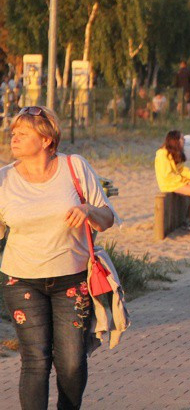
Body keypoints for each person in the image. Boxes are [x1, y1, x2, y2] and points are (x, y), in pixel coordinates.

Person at [0, 106, 118, 410]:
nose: (14, 138)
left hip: (73, 279)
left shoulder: (74, 167)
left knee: (72, 363)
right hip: (21, 280)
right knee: (35, 360)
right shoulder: (4, 179)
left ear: (46, 140)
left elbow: (107, 218)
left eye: (22, 133)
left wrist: (88, 210)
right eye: (13, 132)